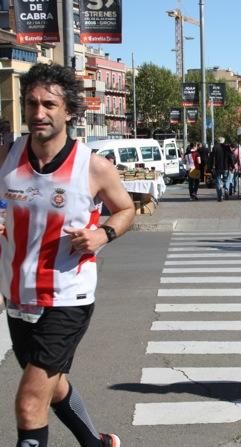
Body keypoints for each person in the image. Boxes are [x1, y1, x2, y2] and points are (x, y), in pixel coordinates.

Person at [0, 63, 135, 447]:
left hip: (67, 297)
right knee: (52, 387)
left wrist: (102, 233)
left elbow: (125, 209)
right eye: (31, 103)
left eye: (49, 104)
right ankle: (97, 443)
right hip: (18, 297)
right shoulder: (7, 158)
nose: (38, 113)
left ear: (69, 111)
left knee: (29, 401)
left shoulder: (92, 167)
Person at [210, 137, 234, 201]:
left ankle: (219, 196)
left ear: (218, 141)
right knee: (226, 180)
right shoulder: (227, 147)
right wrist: (232, 166)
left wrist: (211, 167)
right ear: (224, 141)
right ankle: (226, 190)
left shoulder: (215, 147)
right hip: (226, 167)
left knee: (218, 181)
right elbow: (230, 157)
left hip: (217, 167)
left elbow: (211, 158)